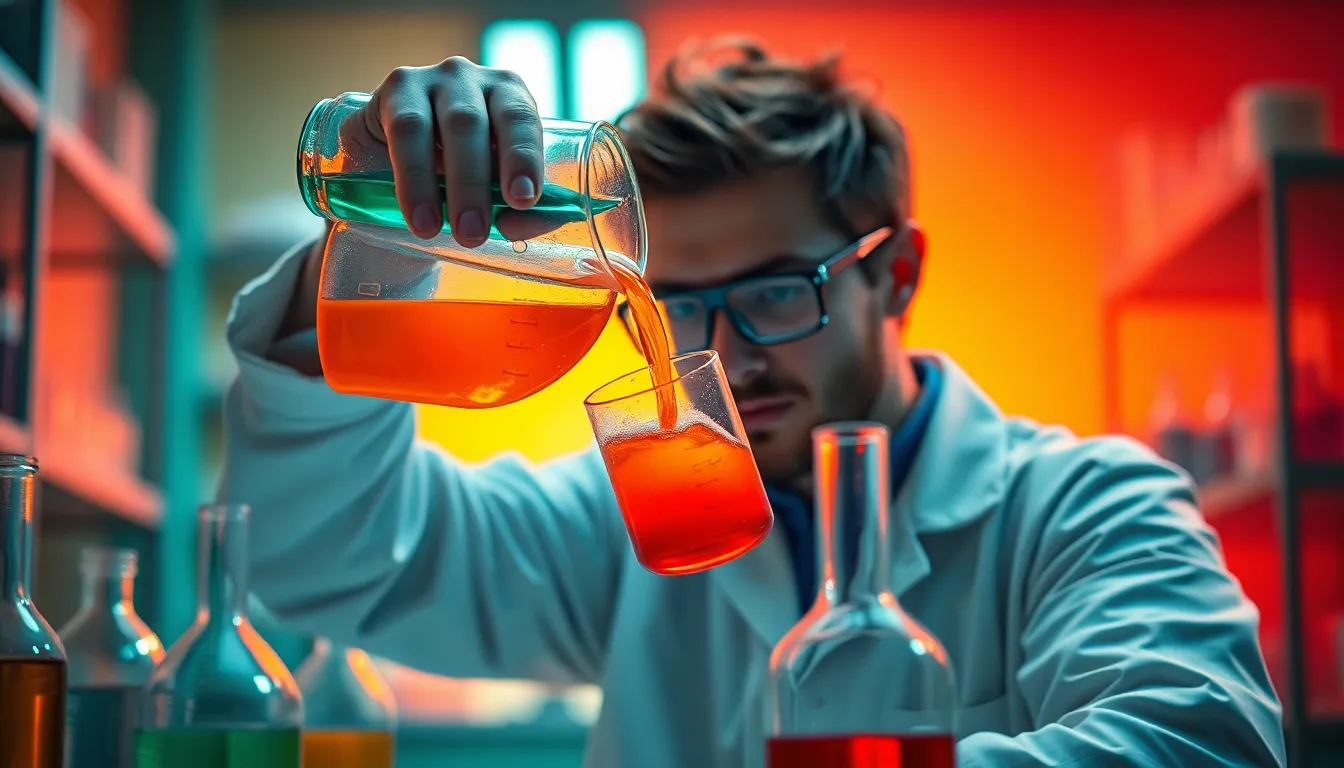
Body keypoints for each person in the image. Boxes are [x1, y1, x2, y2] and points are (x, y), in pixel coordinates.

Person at [221, 40, 1286, 767]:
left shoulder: (1084, 509)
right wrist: (374, 248)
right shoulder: (635, 522)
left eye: (778, 290)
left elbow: (1201, 740)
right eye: (679, 304)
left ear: (897, 274)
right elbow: (337, 557)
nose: (725, 354)